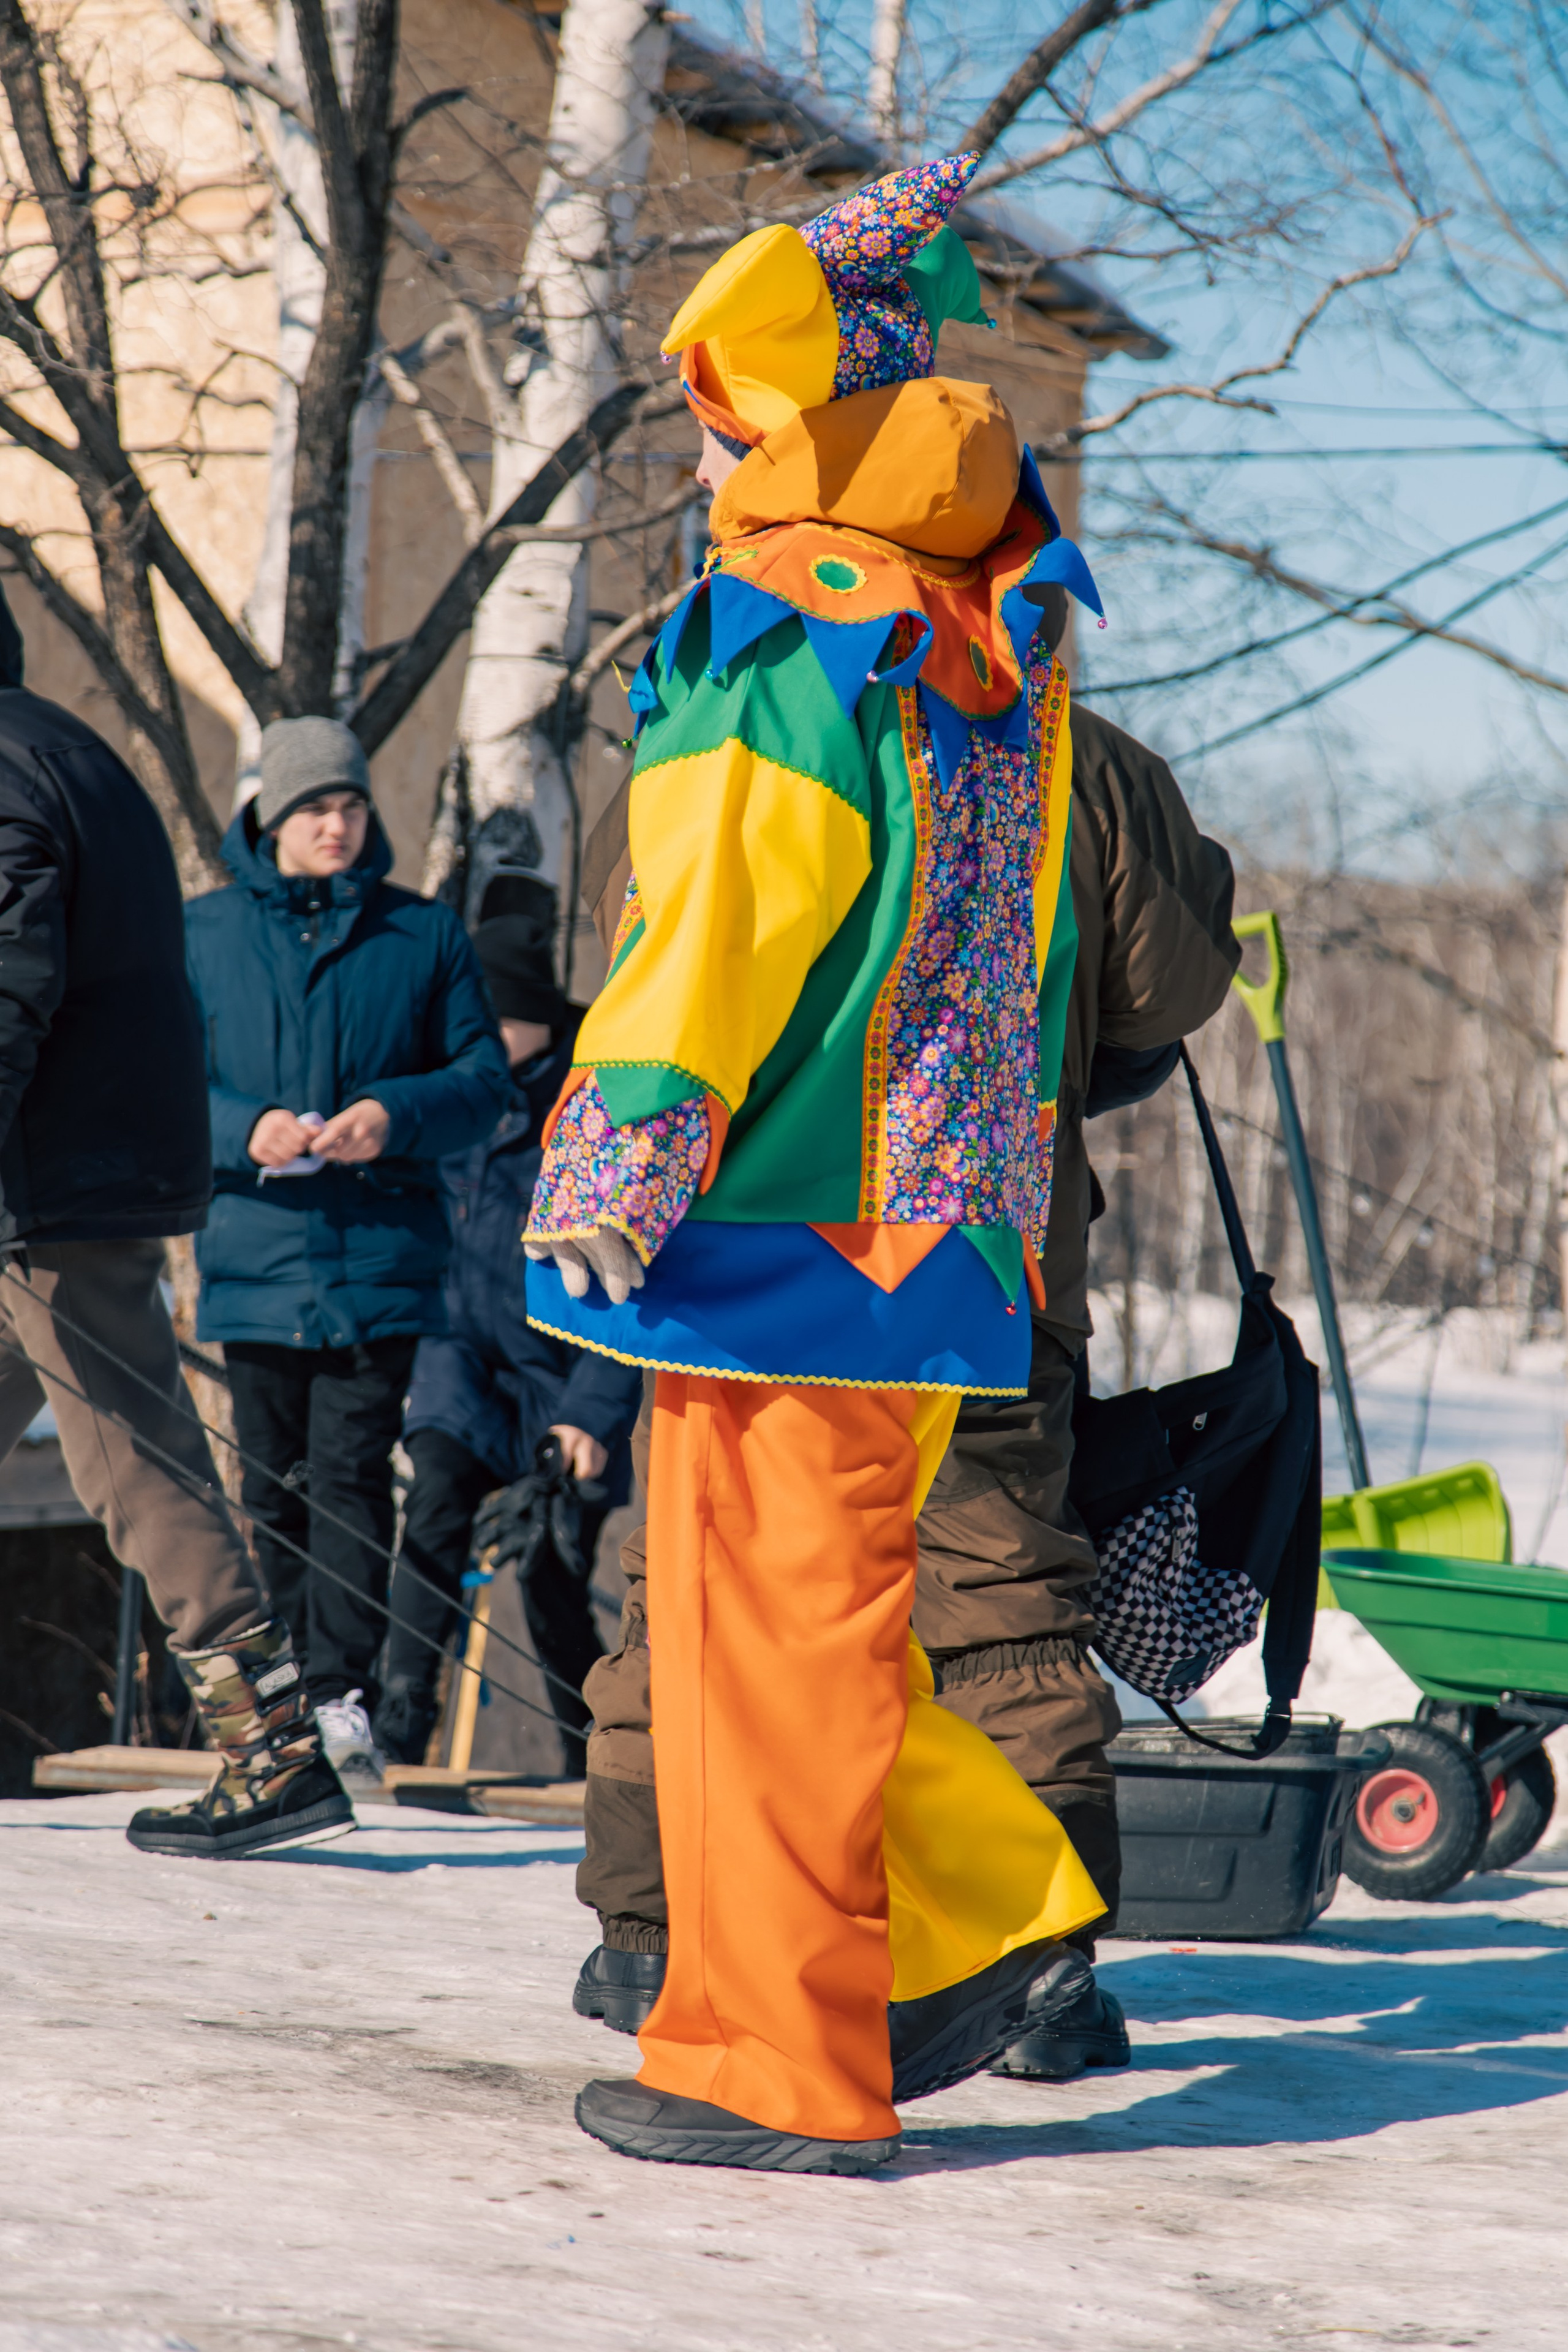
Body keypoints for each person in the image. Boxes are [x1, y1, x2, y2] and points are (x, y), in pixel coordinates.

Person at [524, 156, 1112, 2174]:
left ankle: (788, 2066)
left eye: (716, 407)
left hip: (780, 1228)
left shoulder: (788, 629)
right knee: (825, 1632)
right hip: (937, 1237)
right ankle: (961, 1936)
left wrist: (614, 1164)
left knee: (755, 1654)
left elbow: (718, 936)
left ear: (774, 420)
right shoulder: (985, 633)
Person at [569, 693, 1241, 2073]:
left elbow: (631, 926)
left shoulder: (734, 713)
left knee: (703, 1580)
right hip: (981, 1243)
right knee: (996, 1588)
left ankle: (650, 1928)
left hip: (742, 1252)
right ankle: (1034, 1972)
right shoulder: (1067, 751)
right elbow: (1172, 985)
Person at [0, 583, 352, 1859]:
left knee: (135, 1461)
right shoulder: (68, 747)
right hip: (73, 1165)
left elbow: (10, 971)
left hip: (52, 1184)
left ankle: (273, 1751)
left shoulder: (5, 765)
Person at [184, 718, 509, 1789]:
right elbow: (157, 1084)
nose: (336, 823)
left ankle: (339, 1701)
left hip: (378, 1259)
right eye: (315, 807)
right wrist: (246, 1129)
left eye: (351, 805)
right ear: (272, 818)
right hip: (254, 1258)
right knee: (270, 1488)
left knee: (355, 1481)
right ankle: (267, 1707)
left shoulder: (422, 936)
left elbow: (483, 1083)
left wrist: (391, 1114)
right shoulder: (204, 935)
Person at [374, 916, 643, 1773]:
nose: (480, 1038)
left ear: (539, 1023)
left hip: (563, 1383)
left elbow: (626, 1286)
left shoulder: (589, 1114)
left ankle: (594, 1756)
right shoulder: (451, 1097)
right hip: (462, 1367)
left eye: (498, 1022)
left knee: (549, 1573)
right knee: (436, 1506)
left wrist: (590, 1418)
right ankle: (397, 1721)